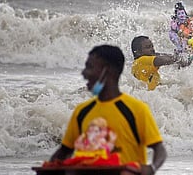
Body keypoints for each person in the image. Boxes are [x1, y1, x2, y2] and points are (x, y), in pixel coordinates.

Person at [49, 45, 167, 175]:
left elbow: (159, 149)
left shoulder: (136, 110)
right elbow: (63, 152)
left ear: (108, 70)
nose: (84, 73)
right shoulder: (82, 111)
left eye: (90, 67)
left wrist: (151, 168)